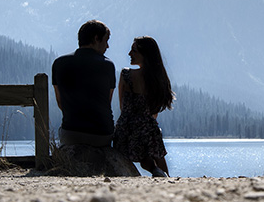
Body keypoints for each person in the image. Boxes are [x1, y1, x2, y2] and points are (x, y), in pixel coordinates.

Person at [113, 36, 175, 177]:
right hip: (148, 128)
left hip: (126, 129)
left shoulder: (126, 74)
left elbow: (123, 107)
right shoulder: (158, 79)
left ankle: (155, 170)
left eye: (134, 50)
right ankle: (165, 177)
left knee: (143, 158)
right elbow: (155, 109)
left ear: (145, 54)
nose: (129, 53)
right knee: (154, 149)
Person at [51, 20, 116, 147]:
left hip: (70, 134)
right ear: (96, 39)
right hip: (102, 134)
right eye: (106, 40)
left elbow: (60, 102)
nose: (107, 46)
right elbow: (107, 102)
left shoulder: (59, 63)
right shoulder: (107, 65)